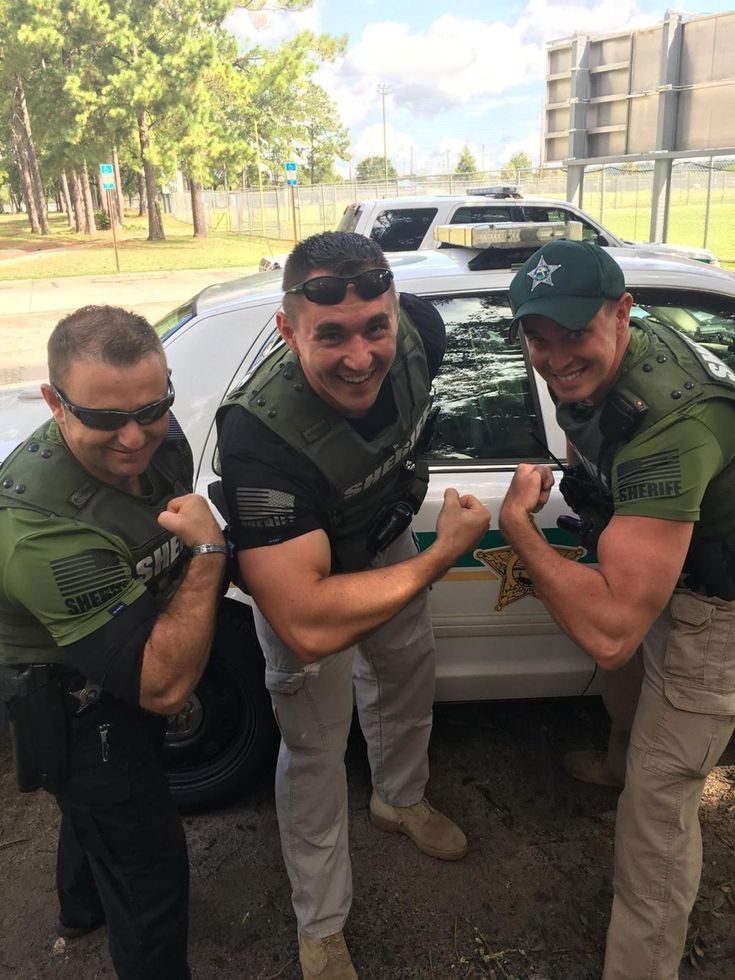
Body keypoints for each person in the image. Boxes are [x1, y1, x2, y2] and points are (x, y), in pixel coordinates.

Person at [216, 231, 490, 980]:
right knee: (313, 749)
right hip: (309, 581)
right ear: (287, 328)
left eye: (375, 326)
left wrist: (410, 554)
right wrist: (439, 556)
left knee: (407, 672)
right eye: (328, 335)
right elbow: (304, 622)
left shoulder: (421, 333)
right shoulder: (256, 436)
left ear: (397, 309)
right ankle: (320, 922)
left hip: (384, 538)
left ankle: (399, 799)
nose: (361, 356)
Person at [498, 238, 735, 980]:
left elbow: (609, 630)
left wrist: (516, 532)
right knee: (628, 686)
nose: (553, 355)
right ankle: (615, 762)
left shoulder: (671, 424)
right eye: (537, 336)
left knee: (655, 816)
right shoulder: (621, 354)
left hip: (717, 608)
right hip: (667, 559)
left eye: (573, 332)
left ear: (623, 313)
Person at [0, 305, 227, 980]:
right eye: (104, 419)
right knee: (150, 874)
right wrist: (209, 552)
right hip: (68, 693)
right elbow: (160, 686)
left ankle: (81, 907)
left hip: (117, 639)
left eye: (151, 407)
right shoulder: (38, 528)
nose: (134, 438)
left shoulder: (150, 425)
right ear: (55, 403)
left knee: (97, 807)